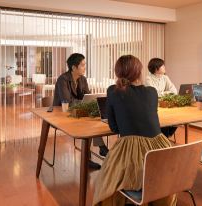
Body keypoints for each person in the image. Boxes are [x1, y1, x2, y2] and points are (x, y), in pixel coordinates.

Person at [93, 55, 176, 206]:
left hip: (131, 148)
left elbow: (114, 128)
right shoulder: (152, 92)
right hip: (161, 148)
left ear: (118, 72)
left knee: (107, 177)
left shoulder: (113, 91)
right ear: (139, 71)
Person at [53, 53, 109, 170]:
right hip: (62, 113)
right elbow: (67, 101)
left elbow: (88, 96)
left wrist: (89, 102)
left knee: (92, 118)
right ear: (74, 67)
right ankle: (100, 148)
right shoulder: (63, 79)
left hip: (77, 111)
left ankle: (95, 153)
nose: (85, 67)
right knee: (89, 121)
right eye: (82, 65)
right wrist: (85, 103)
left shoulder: (82, 79)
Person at [145, 58, 177, 138]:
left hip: (164, 104)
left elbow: (174, 91)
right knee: (164, 120)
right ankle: (163, 137)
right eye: (162, 66)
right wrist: (167, 93)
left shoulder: (165, 77)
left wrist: (162, 93)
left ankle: (166, 136)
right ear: (156, 68)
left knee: (177, 119)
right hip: (153, 106)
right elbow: (154, 94)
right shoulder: (148, 78)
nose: (164, 67)